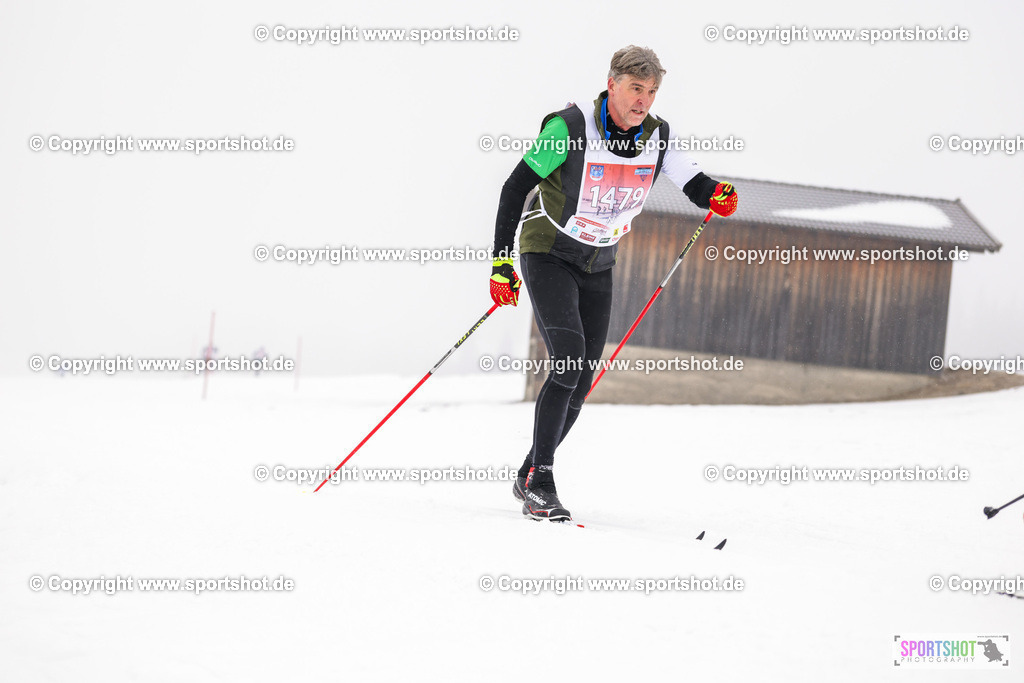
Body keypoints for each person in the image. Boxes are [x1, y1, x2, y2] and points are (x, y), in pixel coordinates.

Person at [489, 45, 738, 522]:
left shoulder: (657, 136)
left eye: (651, 91)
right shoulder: (570, 128)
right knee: (566, 361)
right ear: (612, 84)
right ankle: (542, 480)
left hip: (599, 262)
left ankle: (528, 472)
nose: (642, 101)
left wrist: (716, 194)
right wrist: (501, 263)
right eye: (635, 89)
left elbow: (692, 181)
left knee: (582, 380)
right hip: (549, 251)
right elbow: (514, 187)